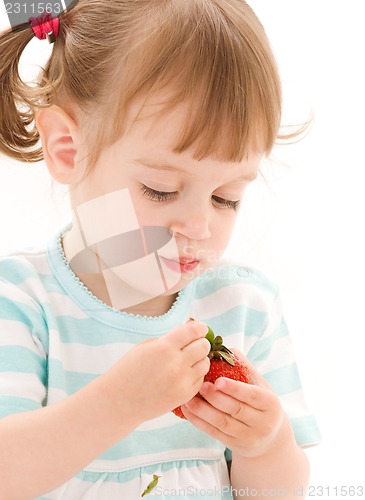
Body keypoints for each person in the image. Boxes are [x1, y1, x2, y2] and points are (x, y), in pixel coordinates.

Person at [0, 1, 321, 498]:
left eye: (225, 197)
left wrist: (268, 445)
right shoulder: (22, 302)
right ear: (68, 148)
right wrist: (117, 404)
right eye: (160, 190)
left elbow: (276, 492)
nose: (197, 225)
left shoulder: (244, 307)